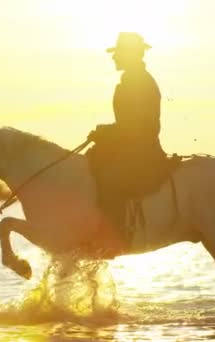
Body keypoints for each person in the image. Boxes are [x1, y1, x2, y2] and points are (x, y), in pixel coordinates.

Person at [86, 32, 168, 228]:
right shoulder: (133, 79)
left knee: (110, 182)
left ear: (129, 54)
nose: (114, 57)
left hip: (141, 153)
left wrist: (106, 133)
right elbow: (129, 124)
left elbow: (138, 127)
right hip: (131, 149)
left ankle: (112, 238)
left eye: (118, 53)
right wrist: (106, 132)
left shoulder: (138, 81)